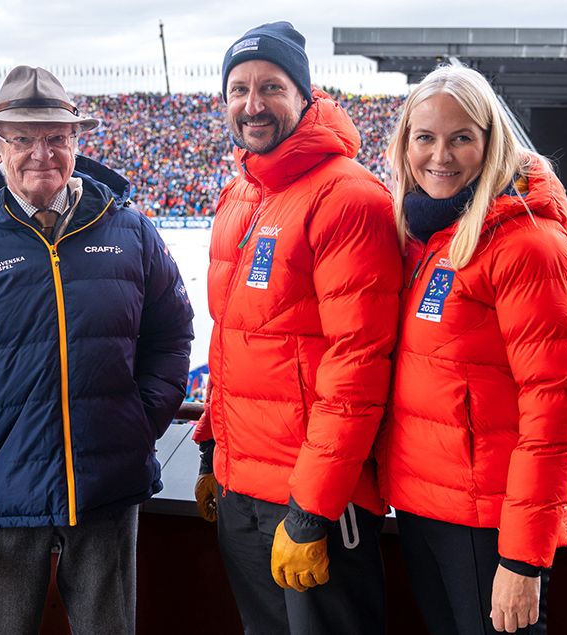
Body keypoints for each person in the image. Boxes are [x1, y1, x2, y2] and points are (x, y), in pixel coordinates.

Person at [0, 66, 193, 634]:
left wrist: (138, 421)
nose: (42, 153)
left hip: (105, 489)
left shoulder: (130, 231)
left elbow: (172, 334)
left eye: (57, 137)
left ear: (77, 143)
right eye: (24, 138)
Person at [192, 22, 402, 634]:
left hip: (312, 500)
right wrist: (212, 449)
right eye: (238, 88)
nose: (252, 104)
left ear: (304, 95)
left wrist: (312, 511)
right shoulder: (240, 195)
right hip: (242, 489)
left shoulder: (347, 197)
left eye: (271, 87)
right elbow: (233, 340)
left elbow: (357, 366)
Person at [378, 64, 567, 635]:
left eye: (461, 137)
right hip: (426, 510)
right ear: (405, 145)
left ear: (491, 143)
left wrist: (522, 558)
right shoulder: (428, 236)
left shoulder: (528, 246)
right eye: (425, 137)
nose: (440, 156)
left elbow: (555, 410)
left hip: (491, 526)